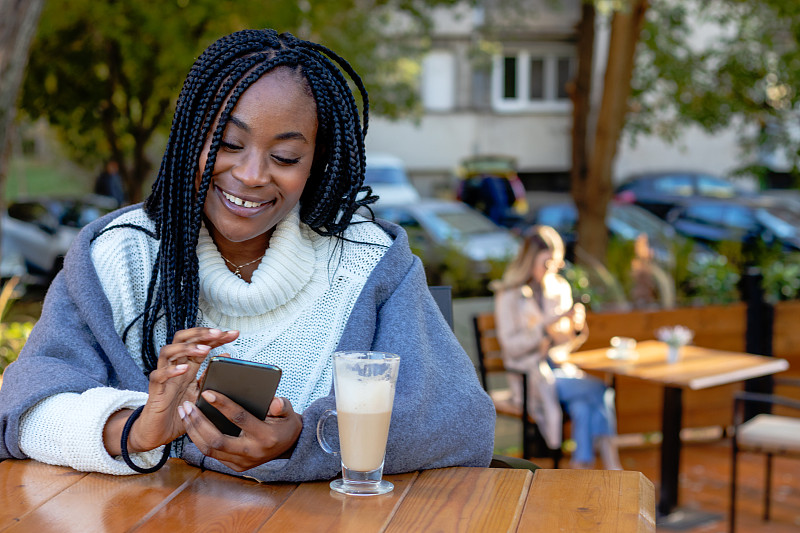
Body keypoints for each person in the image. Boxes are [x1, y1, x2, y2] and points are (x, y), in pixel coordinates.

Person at [0, 29, 495, 481]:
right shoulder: (116, 255)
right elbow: (23, 410)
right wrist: (137, 429)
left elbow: (460, 423)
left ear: (315, 163)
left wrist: (305, 440)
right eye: (228, 143)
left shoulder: (370, 263)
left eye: (285, 157)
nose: (253, 174)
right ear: (190, 138)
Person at [491, 225, 622, 470]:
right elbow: (510, 347)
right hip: (530, 374)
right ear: (530, 260)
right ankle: (611, 460)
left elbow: (566, 343)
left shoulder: (558, 287)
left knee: (583, 408)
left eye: (554, 263)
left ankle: (581, 466)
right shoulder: (508, 295)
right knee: (600, 390)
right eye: (545, 263)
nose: (550, 269)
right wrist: (543, 329)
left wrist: (576, 329)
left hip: (560, 368)